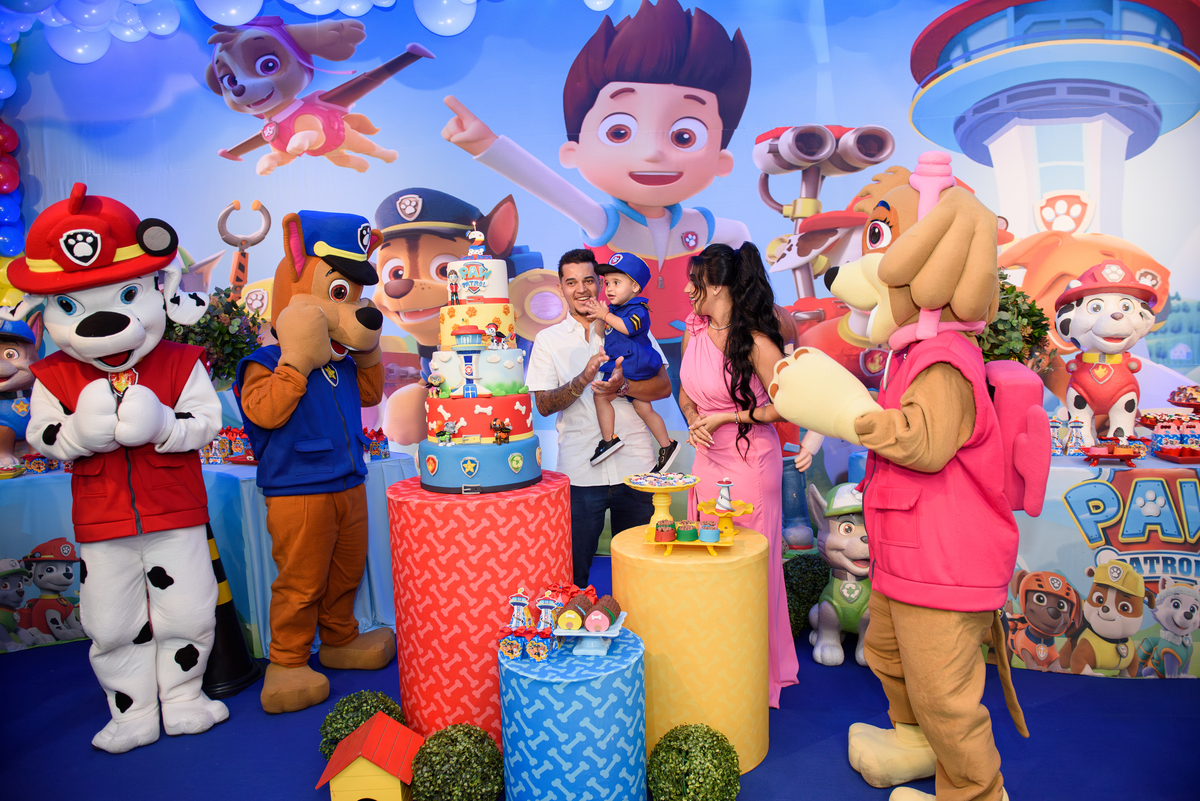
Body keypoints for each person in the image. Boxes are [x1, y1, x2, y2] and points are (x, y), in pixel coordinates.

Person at [441, 0, 752, 380]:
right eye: (619, 132)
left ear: (722, 159)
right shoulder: (605, 222)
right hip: (626, 342)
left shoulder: (701, 226)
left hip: (694, 339)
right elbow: (551, 188)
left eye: (684, 136)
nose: (653, 152)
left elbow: (739, 236)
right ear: (573, 152)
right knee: (635, 410)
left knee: (699, 403)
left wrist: (742, 302)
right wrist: (487, 145)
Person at [679, 242, 799, 708]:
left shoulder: (757, 341)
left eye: (695, 281)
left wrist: (728, 418)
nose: (688, 290)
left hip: (750, 462)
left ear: (717, 286)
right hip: (706, 458)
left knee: (748, 564)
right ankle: (716, 661)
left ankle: (753, 673)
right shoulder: (693, 330)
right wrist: (694, 417)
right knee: (709, 556)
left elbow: (784, 406)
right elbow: (686, 390)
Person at [528, 249, 673, 587]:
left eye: (589, 280)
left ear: (601, 284)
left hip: (635, 469)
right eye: (571, 282)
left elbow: (664, 387)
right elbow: (544, 405)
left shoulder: (630, 326)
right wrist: (582, 379)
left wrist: (624, 387)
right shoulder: (548, 340)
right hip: (580, 471)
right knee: (574, 574)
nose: (581, 289)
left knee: (641, 575)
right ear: (561, 288)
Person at [581, 251, 678, 469]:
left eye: (616, 283)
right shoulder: (613, 311)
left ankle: (609, 440)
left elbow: (627, 327)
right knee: (644, 408)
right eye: (607, 283)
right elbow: (603, 332)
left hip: (634, 364)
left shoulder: (638, 309)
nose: (610, 288)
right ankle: (667, 444)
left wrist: (605, 315)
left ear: (635, 287)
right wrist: (599, 316)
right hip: (626, 365)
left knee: (600, 395)